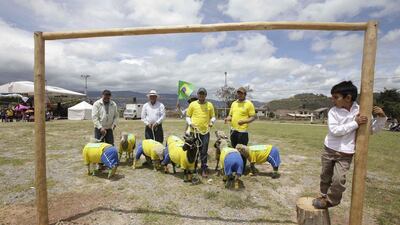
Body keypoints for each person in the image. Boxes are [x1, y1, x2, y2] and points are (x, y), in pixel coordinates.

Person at [312, 81, 387, 209]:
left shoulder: (361, 110)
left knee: (338, 180)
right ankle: (323, 196)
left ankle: (331, 201)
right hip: (329, 149)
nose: (332, 100)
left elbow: (371, 130)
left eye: (336, 97)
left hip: (345, 153)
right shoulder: (333, 112)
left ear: (348, 98)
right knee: (325, 176)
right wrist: (355, 123)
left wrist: (381, 118)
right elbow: (335, 131)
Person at [224, 87, 256, 173]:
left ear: (245, 94)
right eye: (238, 93)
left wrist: (244, 121)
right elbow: (231, 115)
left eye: (241, 93)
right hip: (233, 131)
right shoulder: (234, 103)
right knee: (234, 150)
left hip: (243, 132)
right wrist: (227, 118)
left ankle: (241, 169)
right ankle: (235, 166)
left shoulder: (249, 104)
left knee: (242, 151)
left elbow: (253, 117)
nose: (239, 95)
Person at [186, 88, 216, 177]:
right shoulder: (192, 104)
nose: (201, 96)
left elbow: (213, 117)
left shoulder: (209, 105)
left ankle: (203, 169)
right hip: (194, 132)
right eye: (200, 94)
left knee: (203, 151)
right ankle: (192, 167)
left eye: (203, 94)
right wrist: (190, 124)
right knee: (193, 150)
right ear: (198, 94)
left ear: (205, 95)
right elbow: (188, 116)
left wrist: (211, 122)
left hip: (205, 132)